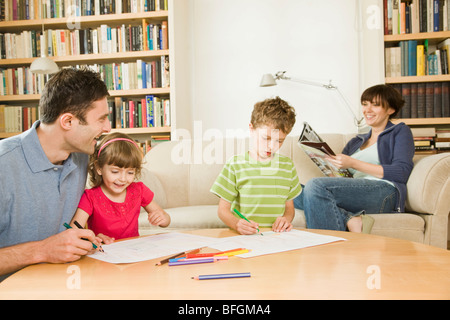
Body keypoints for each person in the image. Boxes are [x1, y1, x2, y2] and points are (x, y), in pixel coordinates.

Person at [0, 68, 112, 281]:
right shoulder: (4, 165)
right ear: (68, 121)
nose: (107, 127)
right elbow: (47, 247)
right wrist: (42, 250)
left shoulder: (79, 155)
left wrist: (84, 239)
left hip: (60, 282)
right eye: (101, 119)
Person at [294, 84, 415, 233]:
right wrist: (331, 171)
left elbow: (401, 172)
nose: (367, 110)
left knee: (316, 185)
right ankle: (349, 219)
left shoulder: (400, 131)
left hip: (383, 192)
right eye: (365, 104)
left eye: (375, 105)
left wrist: (353, 163)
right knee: (290, 189)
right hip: (355, 191)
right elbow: (345, 179)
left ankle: (325, 248)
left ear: (391, 109)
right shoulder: (356, 141)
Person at [210, 97, 302, 235]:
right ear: (251, 129)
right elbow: (222, 211)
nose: (272, 146)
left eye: (279, 141)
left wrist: (286, 219)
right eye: (266, 138)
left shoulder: (287, 166)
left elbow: (289, 209)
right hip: (245, 237)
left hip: (276, 237)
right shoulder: (235, 165)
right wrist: (237, 224)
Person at [70, 132, 170, 240]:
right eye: (115, 171)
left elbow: (165, 221)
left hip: (134, 251)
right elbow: (73, 232)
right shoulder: (90, 197)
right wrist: (94, 238)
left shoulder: (139, 190)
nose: (123, 179)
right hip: (104, 253)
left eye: (130, 172)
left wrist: (163, 218)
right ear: (99, 168)